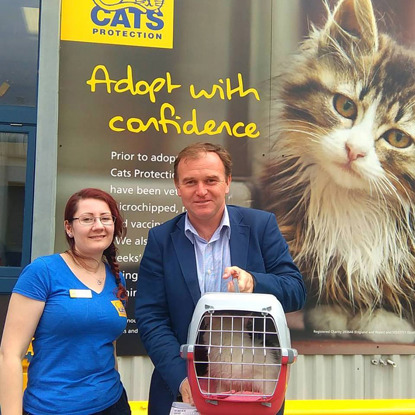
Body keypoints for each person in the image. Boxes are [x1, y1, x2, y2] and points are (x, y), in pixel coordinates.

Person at [135, 142, 306, 415]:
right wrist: (182, 378)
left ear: (227, 182)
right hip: (182, 390)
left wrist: (255, 283)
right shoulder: (161, 239)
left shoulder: (261, 227)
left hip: (254, 389)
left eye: (210, 180)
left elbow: (296, 291)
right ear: (178, 187)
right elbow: (150, 317)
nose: (201, 190)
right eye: (190, 181)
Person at [0, 188, 131, 415]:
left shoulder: (116, 278)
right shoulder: (43, 272)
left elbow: (109, 344)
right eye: (87, 219)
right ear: (69, 228)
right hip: (53, 408)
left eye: (105, 218)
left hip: (112, 403)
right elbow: (9, 355)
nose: (98, 225)